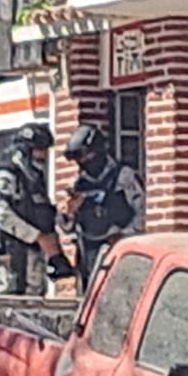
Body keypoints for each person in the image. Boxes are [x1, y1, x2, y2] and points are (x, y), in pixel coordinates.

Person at [0, 123, 73, 295]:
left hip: (33, 257)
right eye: (39, 150)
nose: (43, 155)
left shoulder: (34, 178)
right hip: (9, 254)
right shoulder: (5, 175)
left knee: (35, 304)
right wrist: (38, 236)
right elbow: (2, 216)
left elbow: (42, 212)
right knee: (9, 307)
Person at [60, 123, 144, 290]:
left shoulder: (124, 176)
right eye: (78, 159)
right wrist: (69, 213)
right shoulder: (78, 183)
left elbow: (142, 213)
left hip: (120, 252)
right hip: (88, 255)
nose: (82, 162)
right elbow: (66, 227)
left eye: (85, 156)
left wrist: (123, 236)